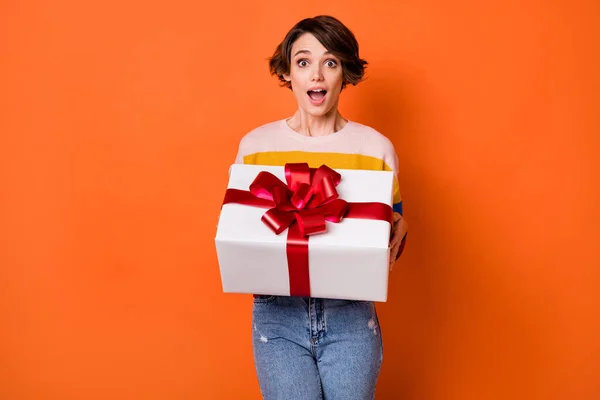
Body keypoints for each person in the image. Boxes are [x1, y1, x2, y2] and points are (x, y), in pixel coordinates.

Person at [233, 15, 408, 400]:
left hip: (350, 314)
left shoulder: (376, 148)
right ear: (288, 73)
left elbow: (390, 221)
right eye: (303, 62)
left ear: (344, 72)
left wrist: (401, 223)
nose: (316, 75)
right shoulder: (255, 147)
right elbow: (239, 224)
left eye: (329, 62)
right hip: (277, 316)